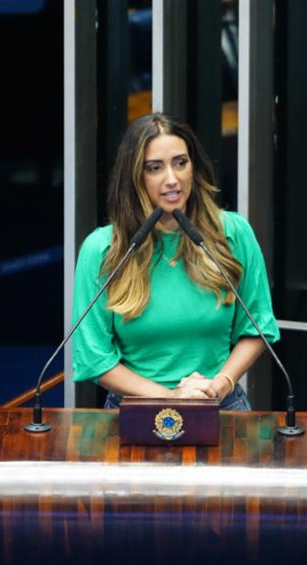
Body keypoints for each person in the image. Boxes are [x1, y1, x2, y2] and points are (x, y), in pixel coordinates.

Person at [72, 113, 278, 408]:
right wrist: (172, 398)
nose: (172, 179)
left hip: (220, 404)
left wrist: (219, 386)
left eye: (180, 163)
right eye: (155, 168)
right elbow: (93, 358)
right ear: (135, 177)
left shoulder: (232, 234)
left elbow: (258, 327)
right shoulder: (103, 249)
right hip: (134, 410)